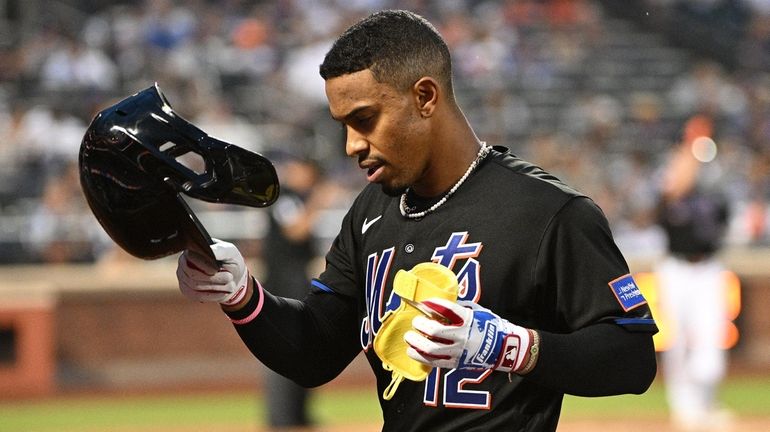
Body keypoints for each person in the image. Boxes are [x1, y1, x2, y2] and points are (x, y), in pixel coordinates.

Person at [176, 10, 658, 431]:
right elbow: (315, 350)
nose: (352, 146)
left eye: (364, 119)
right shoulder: (370, 210)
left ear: (425, 97)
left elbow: (632, 359)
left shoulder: (548, 211)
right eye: (343, 125)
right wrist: (243, 295)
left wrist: (513, 347)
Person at [656, 114, 732, 431]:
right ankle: (684, 410)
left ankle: (706, 404)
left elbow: (724, 219)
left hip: (709, 268)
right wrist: (685, 162)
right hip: (676, 268)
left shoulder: (717, 178)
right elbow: (667, 198)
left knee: (712, 339)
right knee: (677, 341)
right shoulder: (669, 172)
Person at [260, 154, 337, 430]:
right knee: (282, 347)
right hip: (283, 283)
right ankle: (281, 417)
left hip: (296, 282)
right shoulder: (284, 197)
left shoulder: (298, 199)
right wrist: (319, 201)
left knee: (304, 346)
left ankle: (297, 414)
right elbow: (296, 231)